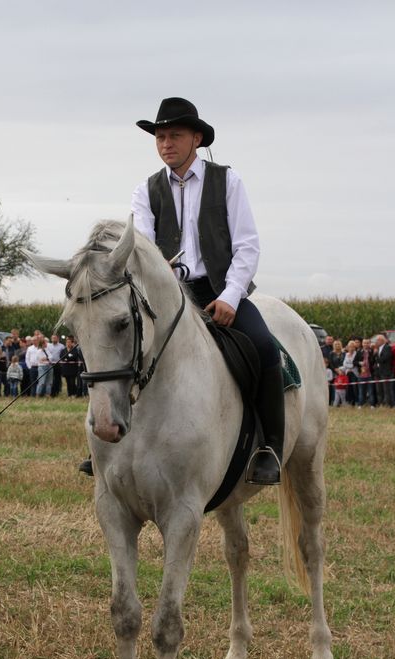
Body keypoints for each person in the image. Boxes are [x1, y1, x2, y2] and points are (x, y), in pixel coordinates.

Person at [79, 97, 283, 483]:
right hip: (165, 296)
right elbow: (141, 247)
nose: (165, 143)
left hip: (218, 291)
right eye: (160, 136)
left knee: (264, 347)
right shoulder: (146, 189)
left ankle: (269, 446)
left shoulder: (228, 181)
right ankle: (105, 443)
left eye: (174, 135)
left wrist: (230, 296)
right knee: (118, 347)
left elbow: (247, 246)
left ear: (197, 138)